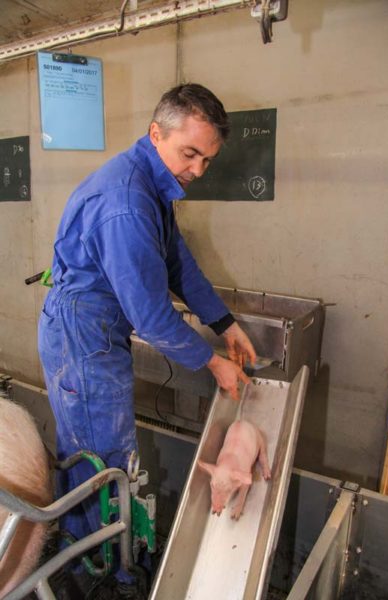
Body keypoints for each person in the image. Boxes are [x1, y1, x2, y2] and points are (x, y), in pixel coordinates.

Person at [38, 83, 256, 598]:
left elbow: (177, 262)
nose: (199, 170)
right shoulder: (127, 202)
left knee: (94, 448)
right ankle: (104, 573)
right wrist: (213, 363)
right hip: (84, 331)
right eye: (190, 153)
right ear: (156, 132)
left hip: (97, 323)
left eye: (208, 158)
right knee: (105, 457)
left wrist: (225, 323)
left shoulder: (151, 184)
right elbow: (152, 317)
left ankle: (91, 550)